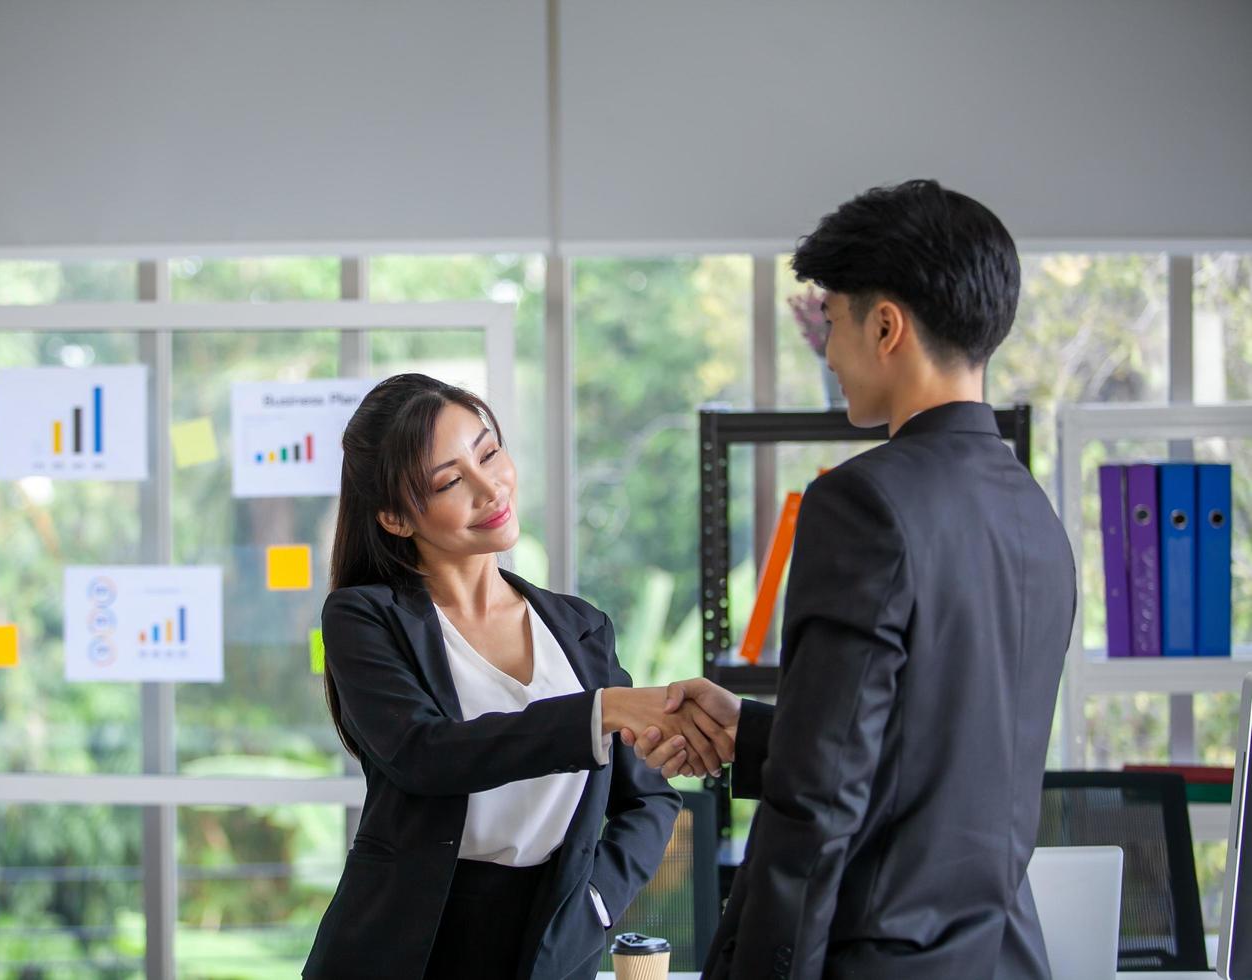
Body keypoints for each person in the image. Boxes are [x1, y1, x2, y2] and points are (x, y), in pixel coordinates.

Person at [626, 180, 1076, 979]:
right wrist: (759, 733)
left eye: (831, 320)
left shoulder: (862, 501)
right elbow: (941, 751)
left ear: (886, 325)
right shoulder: (1031, 513)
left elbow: (821, 803)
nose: (829, 352)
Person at [304, 374, 734, 980]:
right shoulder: (363, 618)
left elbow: (651, 797)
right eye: (451, 481)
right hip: (409, 943)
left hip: (552, 937)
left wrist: (595, 903)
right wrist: (600, 711)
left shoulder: (580, 629)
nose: (490, 488)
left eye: (487, 453)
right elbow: (425, 755)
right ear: (398, 518)